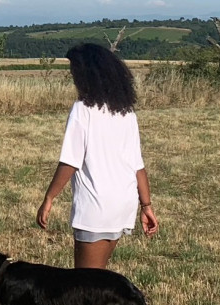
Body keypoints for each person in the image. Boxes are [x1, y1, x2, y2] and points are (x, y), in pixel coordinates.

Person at [36, 43, 159, 270]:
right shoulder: (126, 111)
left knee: (87, 285)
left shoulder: (82, 109)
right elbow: (137, 166)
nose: (73, 79)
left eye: (75, 73)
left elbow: (70, 162)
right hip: (123, 204)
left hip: (95, 207)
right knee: (97, 280)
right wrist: (146, 205)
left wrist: (49, 198)